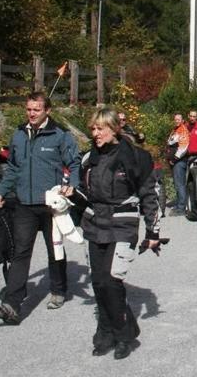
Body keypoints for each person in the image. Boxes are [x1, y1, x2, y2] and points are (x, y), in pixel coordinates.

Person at [60, 107, 160, 359]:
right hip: (94, 224)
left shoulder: (137, 158)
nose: (95, 133)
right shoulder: (88, 159)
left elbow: (149, 196)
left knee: (111, 282)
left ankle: (124, 334)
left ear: (114, 129)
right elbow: (86, 194)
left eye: (100, 128)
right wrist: (72, 194)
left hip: (122, 224)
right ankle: (105, 333)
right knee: (97, 282)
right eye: (92, 128)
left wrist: (153, 231)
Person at [0, 92, 80, 325]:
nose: (31, 113)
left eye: (36, 109)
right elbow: (12, 168)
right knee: (20, 252)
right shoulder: (19, 135)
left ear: (47, 111)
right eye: (29, 109)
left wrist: (72, 187)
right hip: (24, 205)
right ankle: (12, 304)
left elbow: (74, 163)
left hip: (51, 206)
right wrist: (1, 191)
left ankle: (58, 290)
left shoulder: (60, 135)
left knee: (54, 249)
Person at [176, 109, 197, 212]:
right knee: (179, 181)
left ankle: (193, 205)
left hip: (195, 157)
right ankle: (181, 204)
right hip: (182, 156)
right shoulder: (184, 127)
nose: (192, 118)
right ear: (188, 116)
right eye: (191, 116)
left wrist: (189, 151)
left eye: (194, 116)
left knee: (192, 181)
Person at [165, 113, 189, 214]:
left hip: (179, 162)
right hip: (175, 162)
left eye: (178, 119)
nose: (176, 121)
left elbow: (183, 148)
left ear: (182, 120)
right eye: (175, 119)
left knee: (180, 184)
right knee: (177, 184)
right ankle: (179, 203)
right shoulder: (176, 129)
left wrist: (174, 159)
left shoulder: (183, 130)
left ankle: (181, 208)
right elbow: (170, 142)